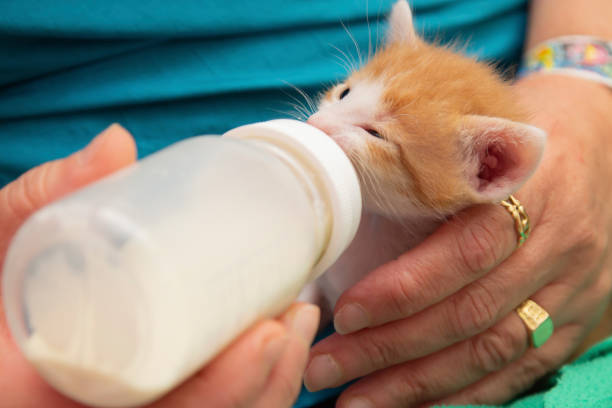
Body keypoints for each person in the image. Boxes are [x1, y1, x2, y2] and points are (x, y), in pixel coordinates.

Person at [1, 1, 611, 407]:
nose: (323, 118)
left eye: (374, 135)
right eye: (344, 91)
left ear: (487, 170)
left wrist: (589, 81)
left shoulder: (468, 160)